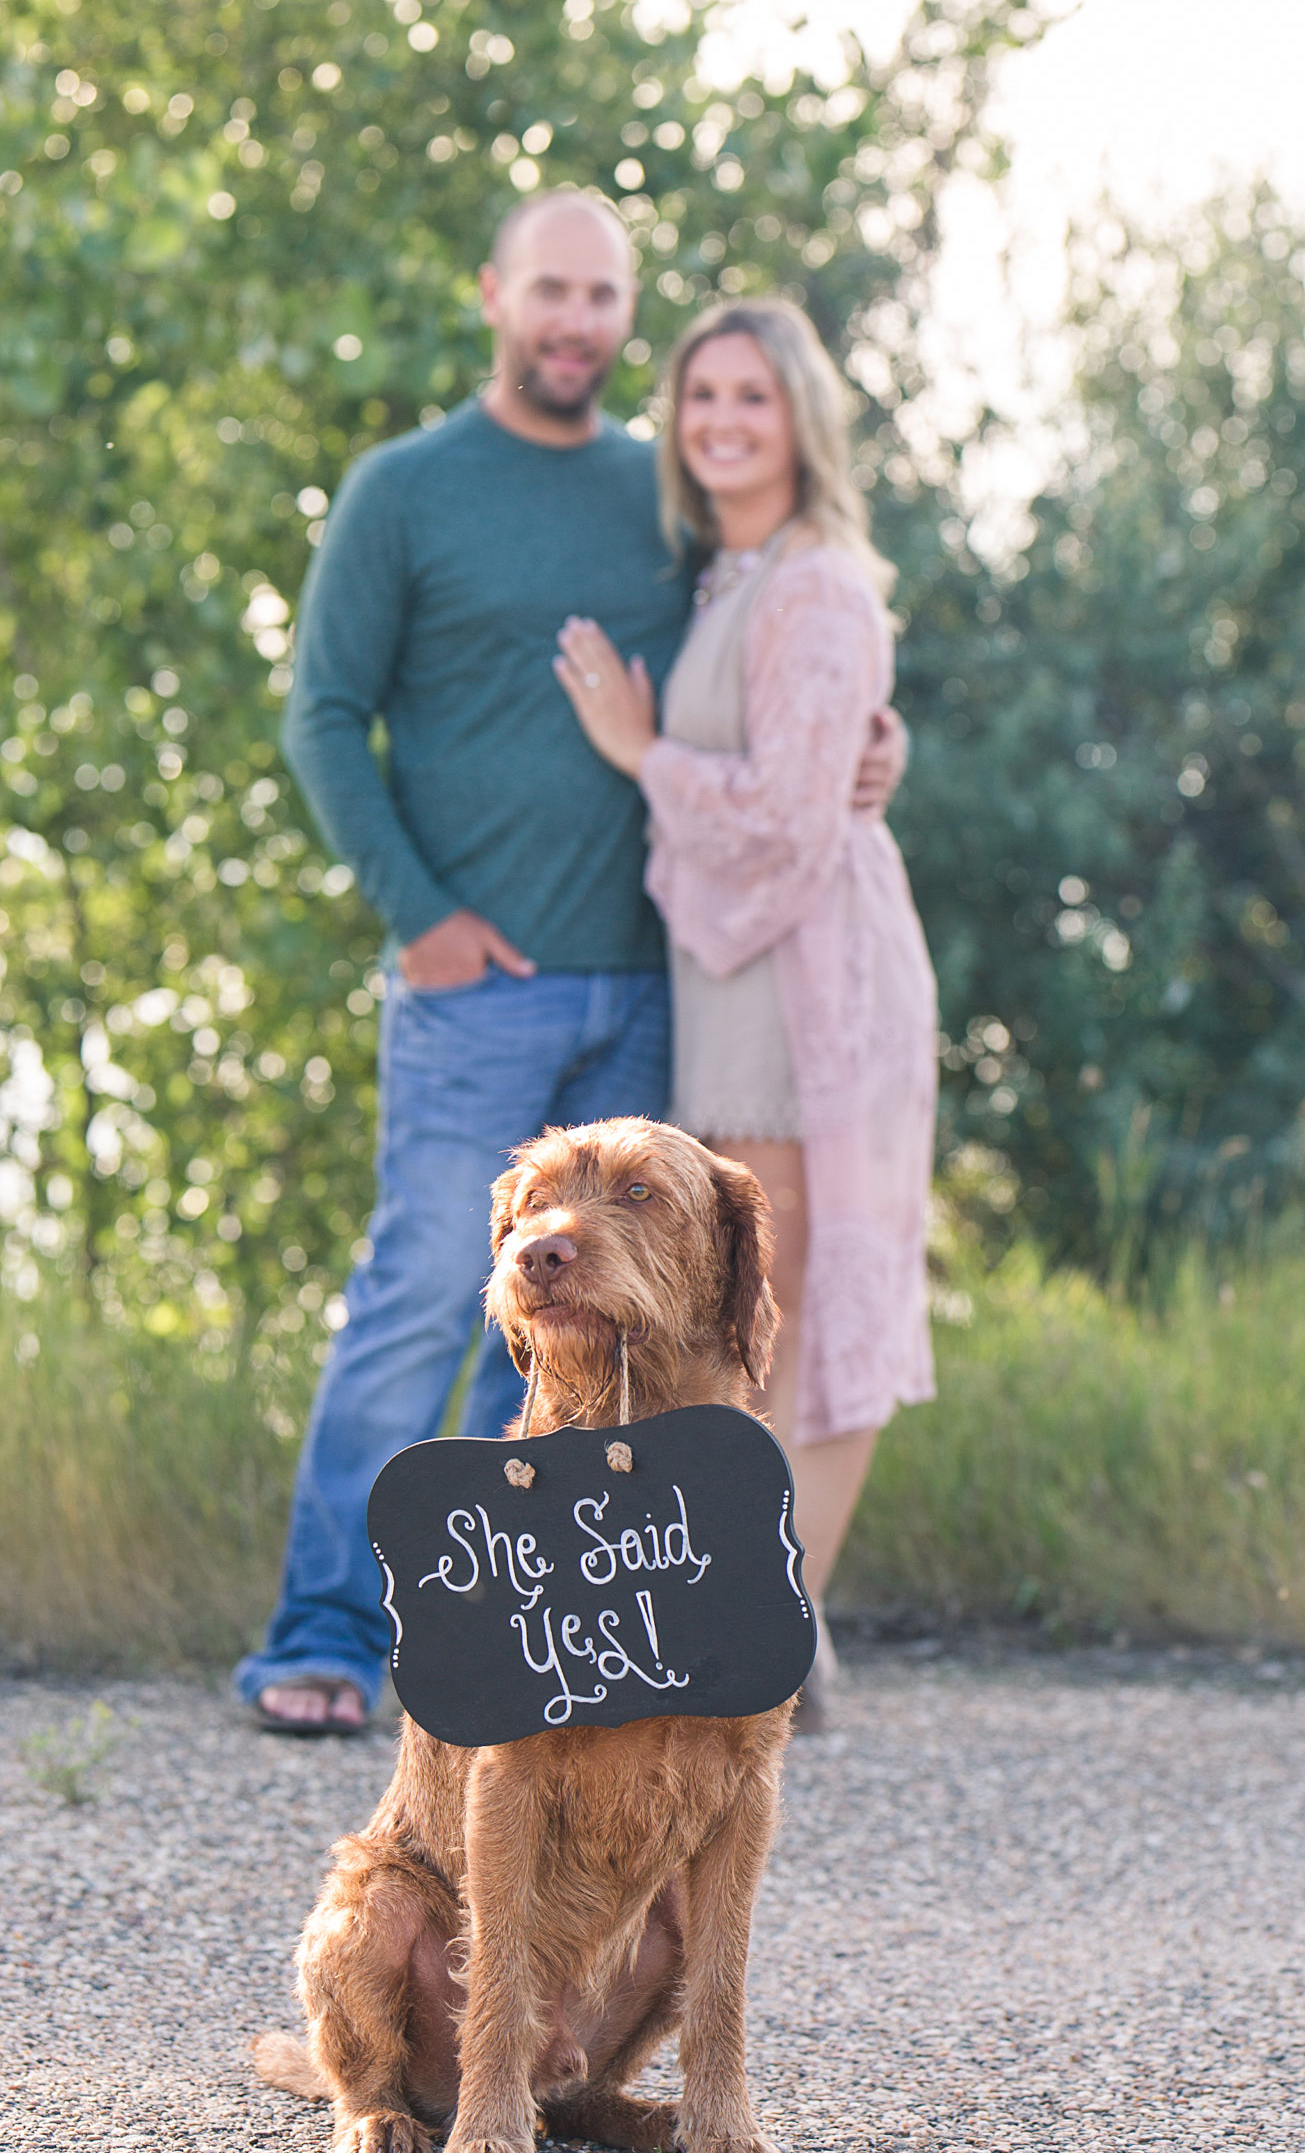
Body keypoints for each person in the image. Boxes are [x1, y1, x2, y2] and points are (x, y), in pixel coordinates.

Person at [235, 197, 905, 1734]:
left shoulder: (662, 494)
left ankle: (486, 1646)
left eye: (602, 298)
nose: (575, 321)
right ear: (494, 296)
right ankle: (319, 1636)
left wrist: (879, 739)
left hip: (658, 984)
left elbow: (788, 632)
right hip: (477, 987)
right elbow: (324, 716)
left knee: (577, 1333)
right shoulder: (404, 490)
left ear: (624, 316)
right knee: (422, 1291)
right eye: (550, 290)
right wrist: (420, 918)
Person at [554, 298, 939, 1730]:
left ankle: (777, 1641)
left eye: (752, 398)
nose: (722, 420)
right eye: (701, 394)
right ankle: (754, 1630)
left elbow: (789, 816)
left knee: (799, 1304)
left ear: (801, 421)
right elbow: (808, 760)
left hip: (811, 980)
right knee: (738, 1311)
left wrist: (644, 753)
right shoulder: (733, 576)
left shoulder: (817, 583)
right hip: (731, 977)